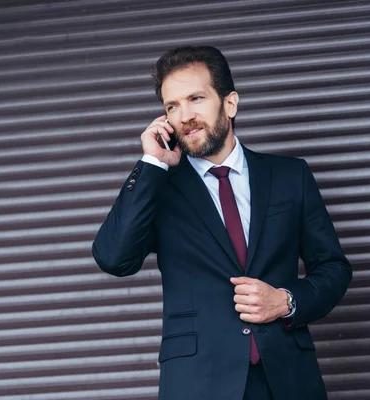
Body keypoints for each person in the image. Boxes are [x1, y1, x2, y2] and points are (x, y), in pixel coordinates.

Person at [92, 46, 352, 400]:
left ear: (230, 103)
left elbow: (334, 268)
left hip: (289, 379)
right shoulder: (161, 188)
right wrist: (152, 164)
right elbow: (113, 257)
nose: (185, 116)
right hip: (199, 383)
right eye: (172, 106)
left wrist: (286, 301)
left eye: (196, 98)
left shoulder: (292, 177)